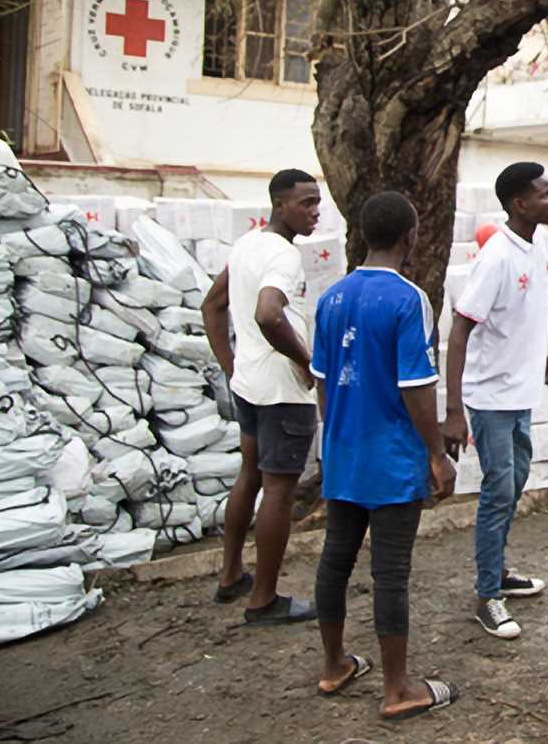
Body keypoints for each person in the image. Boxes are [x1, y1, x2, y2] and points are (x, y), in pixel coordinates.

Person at [309, 191, 459, 720]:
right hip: (391, 456)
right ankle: (397, 690)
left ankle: (334, 666)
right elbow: (416, 387)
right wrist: (437, 453)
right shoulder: (407, 299)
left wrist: (335, 437)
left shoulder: (331, 299)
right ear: (409, 237)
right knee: (390, 572)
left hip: (344, 451)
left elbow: (323, 382)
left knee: (336, 557)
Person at [204, 168, 323, 625]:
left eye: (316, 203)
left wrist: (230, 365)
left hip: (249, 385)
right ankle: (264, 600)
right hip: (281, 392)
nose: (314, 212)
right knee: (278, 490)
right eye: (305, 203)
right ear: (280, 205)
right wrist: (307, 362)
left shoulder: (248, 244)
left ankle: (232, 574)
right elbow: (269, 315)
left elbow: (212, 306)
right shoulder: (283, 257)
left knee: (249, 476)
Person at [443, 162, 548, 640]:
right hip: (489, 397)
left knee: (514, 484)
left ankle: (499, 570)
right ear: (519, 204)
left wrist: (545, 353)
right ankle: (487, 595)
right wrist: (453, 410)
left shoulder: (539, 245)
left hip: (522, 392)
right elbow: (461, 328)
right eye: (544, 194)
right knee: (497, 491)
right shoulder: (496, 258)